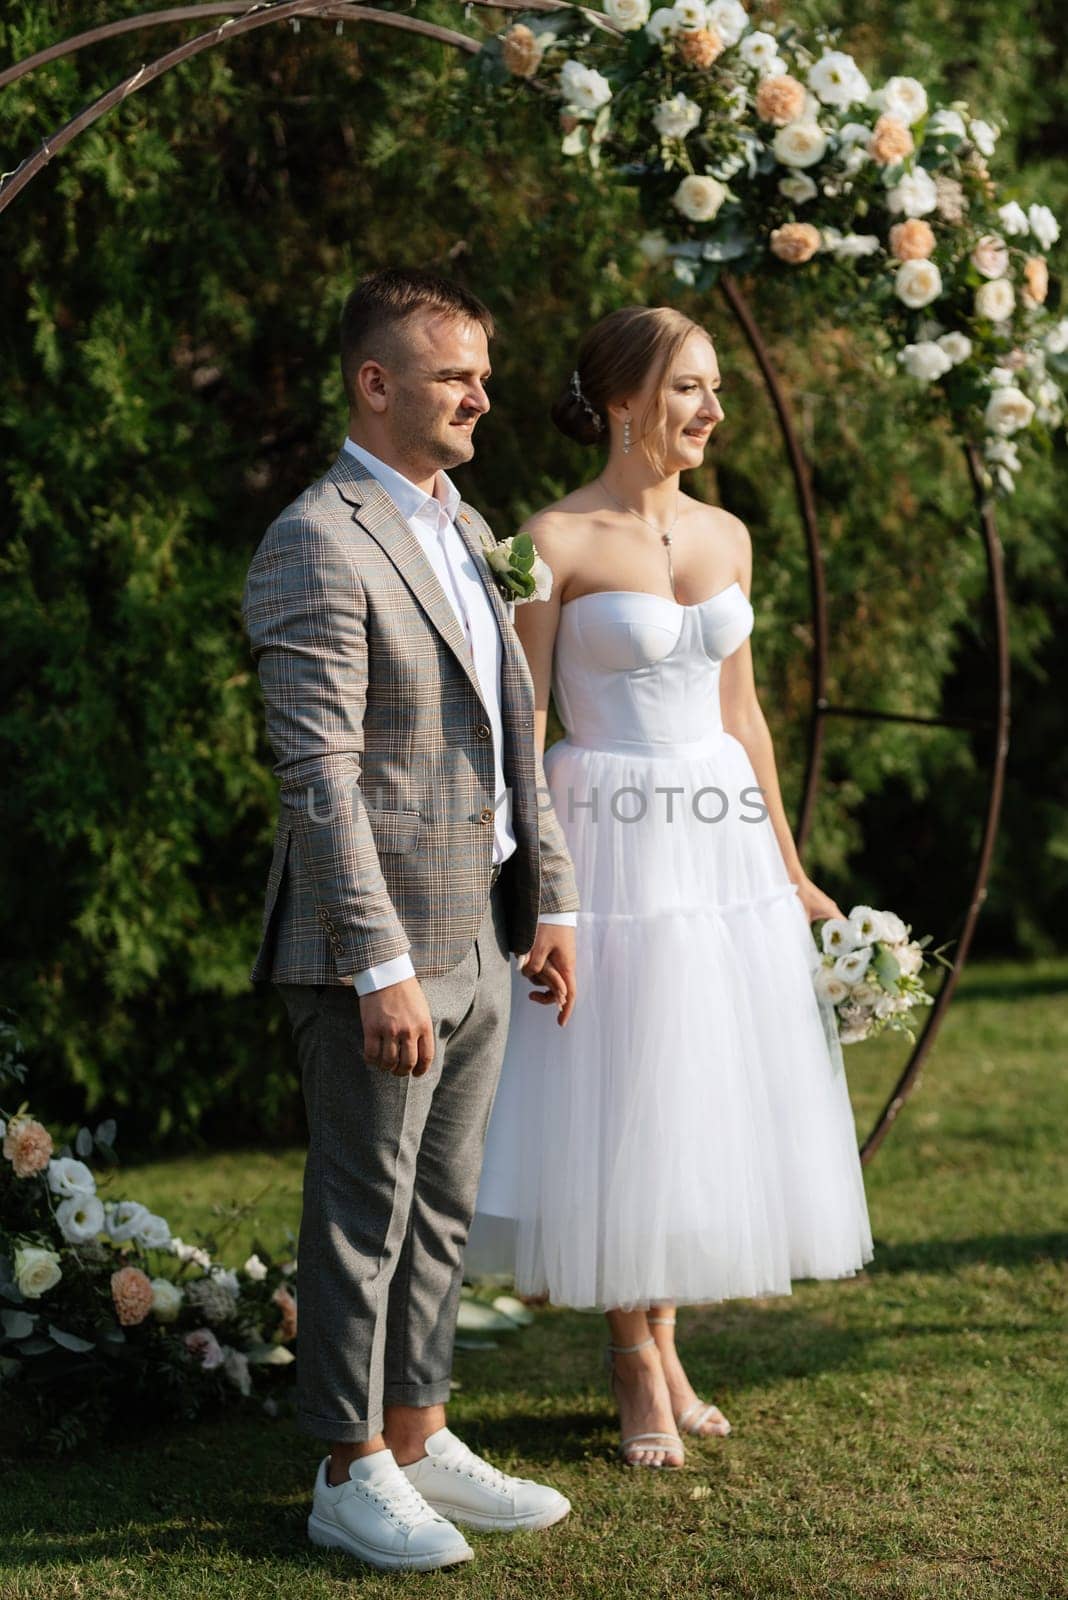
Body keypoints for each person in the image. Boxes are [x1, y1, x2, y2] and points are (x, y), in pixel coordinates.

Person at [469, 305, 874, 1470]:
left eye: (715, 389)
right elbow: (524, 719)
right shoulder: (554, 536)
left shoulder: (731, 535)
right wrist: (542, 885)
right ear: (625, 399)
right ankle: (631, 1357)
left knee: (691, 1082)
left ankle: (671, 1344)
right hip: (605, 831)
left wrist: (791, 870)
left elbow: (742, 711)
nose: (710, 409)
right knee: (624, 1077)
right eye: (689, 387)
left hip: (720, 837)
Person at [241, 268, 580, 1571]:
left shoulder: (470, 523)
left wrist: (546, 896)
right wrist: (377, 967)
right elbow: (319, 777)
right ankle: (346, 1467)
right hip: (373, 951)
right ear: (375, 382)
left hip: (482, 936)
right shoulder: (316, 539)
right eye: (455, 374)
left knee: (440, 1211)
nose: (482, 394)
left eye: (481, 371)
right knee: (362, 1213)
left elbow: (516, 731)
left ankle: (422, 1430)